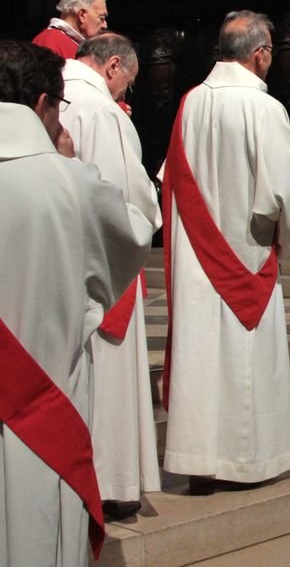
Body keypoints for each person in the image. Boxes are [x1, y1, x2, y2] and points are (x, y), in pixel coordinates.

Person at [0, 40, 151, 567]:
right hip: (46, 399)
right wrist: (69, 164)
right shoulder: (70, 182)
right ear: (43, 103)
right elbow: (129, 245)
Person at [161, 11, 290, 492]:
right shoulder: (263, 109)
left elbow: (169, 179)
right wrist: (283, 243)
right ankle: (244, 463)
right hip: (246, 254)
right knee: (243, 363)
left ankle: (199, 462)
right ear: (260, 54)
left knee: (202, 356)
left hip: (197, 256)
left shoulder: (190, 104)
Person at [60, 33, 161, 520]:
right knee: (107, 376)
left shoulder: (51, 92)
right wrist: (150, 219)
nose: (126, 95)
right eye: (128, 85)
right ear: (113, 66)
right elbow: (122, 200)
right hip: (101, 265)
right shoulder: (100, 110)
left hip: (57, 259)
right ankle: (110, 482)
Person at [32, 0, 108, 58]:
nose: (105, 25)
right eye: (101, 18)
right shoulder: (49, 42)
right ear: (82, 15)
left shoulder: (83, 45)